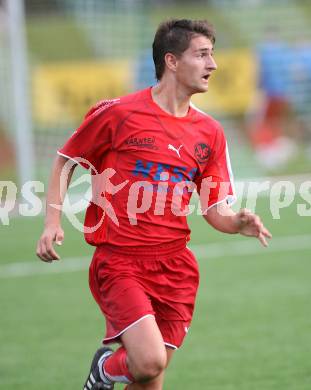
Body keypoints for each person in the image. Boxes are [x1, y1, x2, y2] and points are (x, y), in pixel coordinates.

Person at [36, 19, 272, 390]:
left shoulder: (210, 132)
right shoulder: (119, 114)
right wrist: (52, 222)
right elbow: (66, 159)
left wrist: (236, 223)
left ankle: (110, 373)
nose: (213, 64)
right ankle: (102, 371)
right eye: (203, 54)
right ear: (172, 61)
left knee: (149, 379)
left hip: (176, 268)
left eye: (213, 54)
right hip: (120, 262)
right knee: (148, 361)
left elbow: (214, 209)